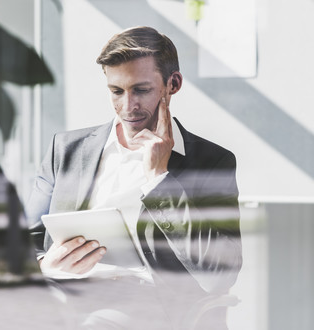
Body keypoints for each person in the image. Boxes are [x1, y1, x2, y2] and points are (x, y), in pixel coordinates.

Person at [27, 26, 242, 296]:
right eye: (116, 91)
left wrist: (159, 180)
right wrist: (44, 264)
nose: (128, 106)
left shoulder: (210, 161)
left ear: (172, 84)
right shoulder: (66, 149)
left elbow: (221, 276)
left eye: (141, 90)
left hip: (143, 305)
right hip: (60, 296)